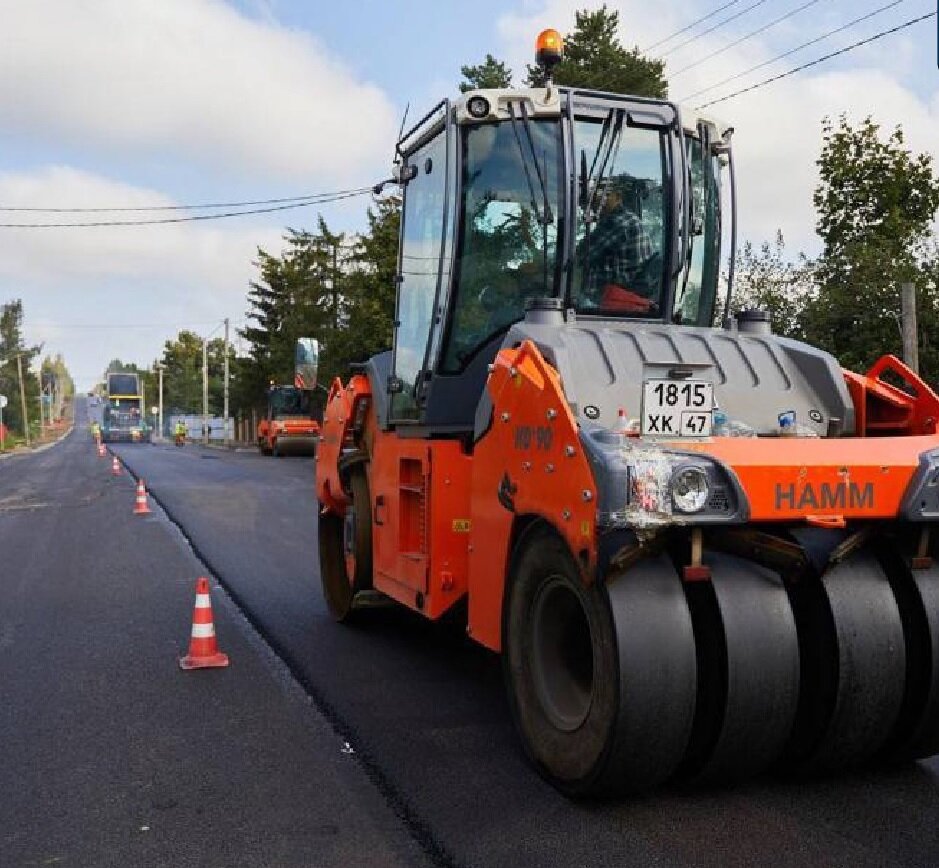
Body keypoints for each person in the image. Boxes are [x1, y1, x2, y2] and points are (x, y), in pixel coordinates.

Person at [582, 186, 655, 313]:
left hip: (609, 301)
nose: (598, 200)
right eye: (594, 196)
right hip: (617, 298)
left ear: (618, 196)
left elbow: (581, 255)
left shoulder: (619, 221)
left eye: (605, 194)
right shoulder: (630, 220)